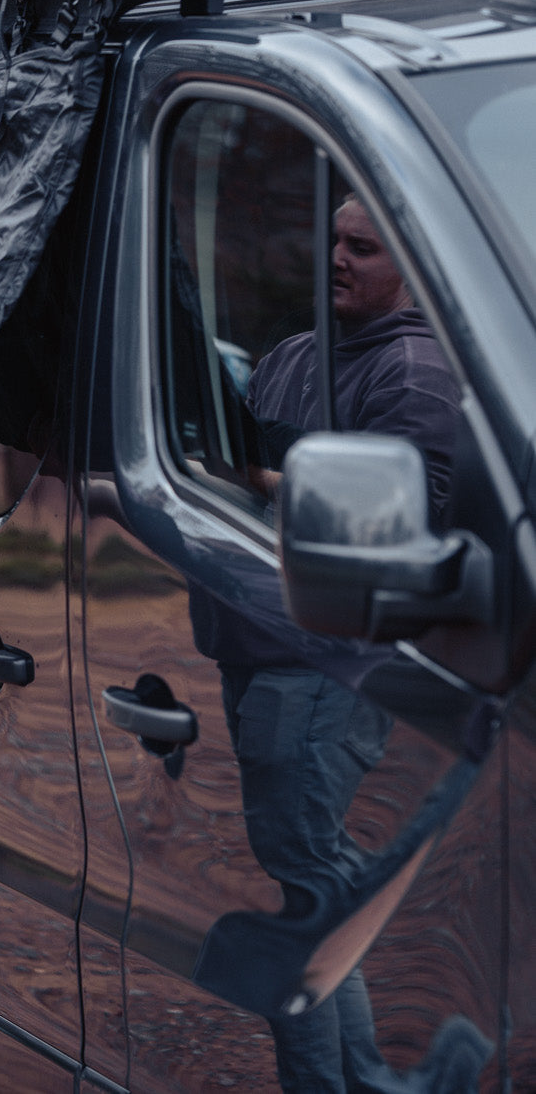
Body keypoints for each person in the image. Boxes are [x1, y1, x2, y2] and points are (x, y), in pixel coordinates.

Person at [193, 194, 482, 1092]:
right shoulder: (290, 356)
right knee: (307, 888)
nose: (341, 260)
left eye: (365, 247)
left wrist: (269, 475)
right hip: (257, 648)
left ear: (412, 265)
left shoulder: (415, 374)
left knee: (315, 894)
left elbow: (416, 519)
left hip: (328, 662)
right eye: (336, 243)